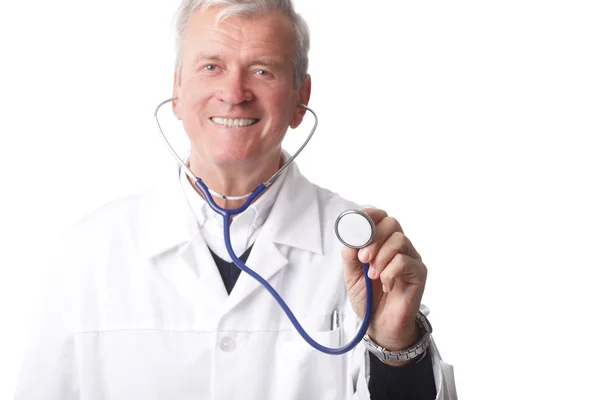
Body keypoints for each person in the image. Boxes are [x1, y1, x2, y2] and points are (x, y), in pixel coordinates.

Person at [15, 1, 457, 399]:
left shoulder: (369, 254)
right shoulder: (84, 255)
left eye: (263, 70)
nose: (235, 92)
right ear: (177, 91)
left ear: (300, 99)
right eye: (211, 66)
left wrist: (396, 348)